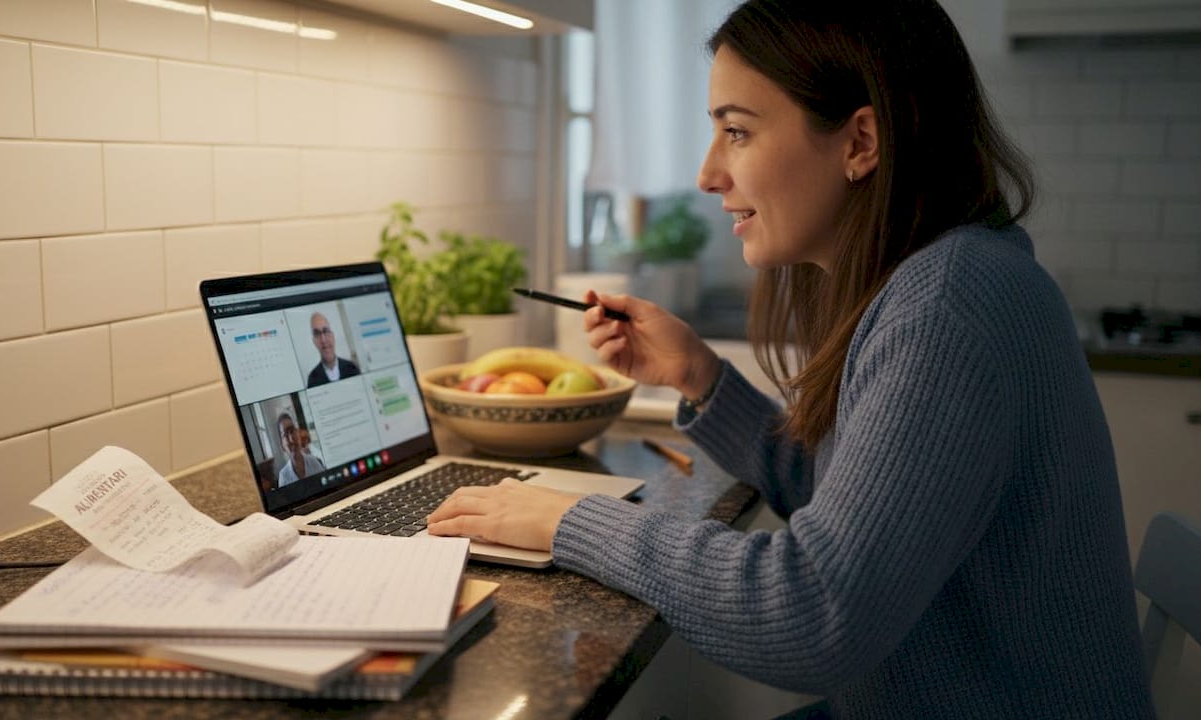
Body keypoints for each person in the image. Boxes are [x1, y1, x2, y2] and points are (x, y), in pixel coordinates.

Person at [427, 1, 1154, 717]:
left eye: (736, 132)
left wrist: (568, 522)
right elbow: (850, 503)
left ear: (860, 142)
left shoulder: (951, 305)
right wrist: (701, 379)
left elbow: (813, 611)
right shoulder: (938, 279)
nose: (709, 174)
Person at [306, 312, 360, 387]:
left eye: (325, 331)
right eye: (317, 334)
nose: (323, 340)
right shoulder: (312, 379)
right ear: (314, 341)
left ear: (332, 336)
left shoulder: (351, 367)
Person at [275, 412, 325, 488]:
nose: (291, 438)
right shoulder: (284, 476)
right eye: (285, 434)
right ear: (282, 446)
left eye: (292, 431)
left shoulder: (313, 461)